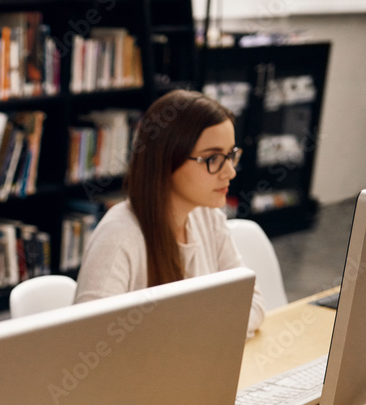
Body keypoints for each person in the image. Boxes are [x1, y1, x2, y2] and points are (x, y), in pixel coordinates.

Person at [74, 90, 265, 337]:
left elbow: (253, 305)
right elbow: (90, 340)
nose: (230, 172)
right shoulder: (119, 237)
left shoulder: (208, 217)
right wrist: (213, 324)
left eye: (230, 156)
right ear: (167, 160)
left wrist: (187, 335)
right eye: (214, 158)